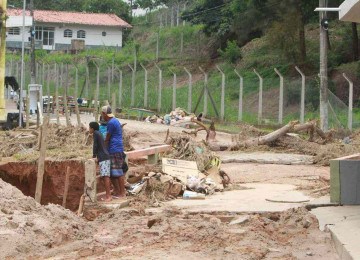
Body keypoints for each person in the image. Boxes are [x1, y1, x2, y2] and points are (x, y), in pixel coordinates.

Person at [101, 105, 126, 198]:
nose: (102, 116)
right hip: (117, 147)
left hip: (114, 148)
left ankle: (122, 193)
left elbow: (107, 137)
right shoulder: (115, 120)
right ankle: (118, 191)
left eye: (102, 114)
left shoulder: (111, 123)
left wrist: (102, 147)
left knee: (118, 172)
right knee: (113, 172)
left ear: (104, 114)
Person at [89, 121, 112, 202]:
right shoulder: (99, 133)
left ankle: (108, 196)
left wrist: (94, 155)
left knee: (105, 177)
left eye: (89, 128)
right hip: (105, 156)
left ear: (92, 128)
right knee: (105, 176)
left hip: (103, 157)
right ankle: (108, 195)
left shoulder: (95, 133)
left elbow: (95, 145)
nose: (89, 130)